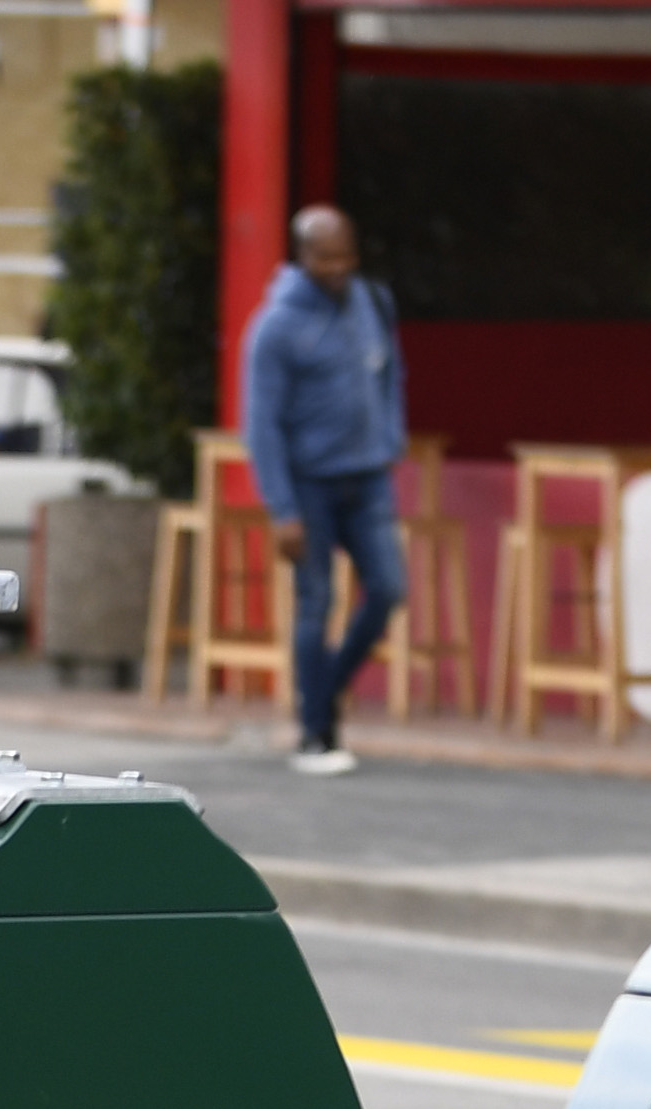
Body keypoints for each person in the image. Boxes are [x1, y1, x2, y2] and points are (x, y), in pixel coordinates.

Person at [240, 205, 406, 778]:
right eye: (325, 257)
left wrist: (391, 439)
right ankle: (315, 733)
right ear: (302, 256)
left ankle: (325, 690)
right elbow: (261, 425)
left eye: (345, 255)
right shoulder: (277, 326)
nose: (338, 267)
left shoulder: (371, 302)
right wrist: (282, 508)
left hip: (367, 476)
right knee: (317, 602)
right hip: (309, 483)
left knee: (388, 587)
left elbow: (389, 375)